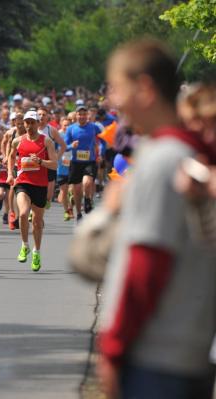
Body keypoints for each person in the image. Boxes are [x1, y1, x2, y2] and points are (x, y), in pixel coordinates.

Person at [97, 39, 216, 399]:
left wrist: (114, 350)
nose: (111, 101)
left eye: (117, 88)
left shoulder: (162, 160)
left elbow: (146, 262)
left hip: (156, 360)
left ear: (145, 88)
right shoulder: (184, 155)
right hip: (185, 355)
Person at [7, 110, 57, 271]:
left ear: (37, 123)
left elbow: (54, 164)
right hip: (23, 182)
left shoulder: (46, 141)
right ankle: (24, 245)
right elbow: (11, 157)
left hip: (40, 185)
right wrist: (10, 173)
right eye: (26, 122)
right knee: (22, 213)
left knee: (36, 222)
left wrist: (41, 161)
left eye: (32, 122)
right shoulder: (17, 141)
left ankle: (36, 251)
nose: (28, 125)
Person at [63, 106, 102, 220]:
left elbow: (103, 139)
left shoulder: (93, 127)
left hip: (90, 161)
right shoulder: (71, 129)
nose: (82, 116)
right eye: (80, 114)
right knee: (77, 189)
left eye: (84, 114)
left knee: (87, 183)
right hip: (75, 162)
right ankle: (79, 212)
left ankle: (88, 199)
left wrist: (100, 154)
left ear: (87, 115)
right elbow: (65, 146)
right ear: (76, 115)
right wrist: (71, 146)